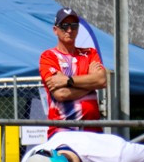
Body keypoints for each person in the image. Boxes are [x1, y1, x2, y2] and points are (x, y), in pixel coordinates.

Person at [38, 7, 107, 137]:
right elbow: (61, 94)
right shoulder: (48, 56)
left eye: (74, 26)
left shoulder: (90, 53)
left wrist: (68, 80)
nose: (69, 30)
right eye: (64, 26)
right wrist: (91, 85)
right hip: (63, 131)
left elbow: (102, 80)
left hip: (92, 131)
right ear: (55, 30)